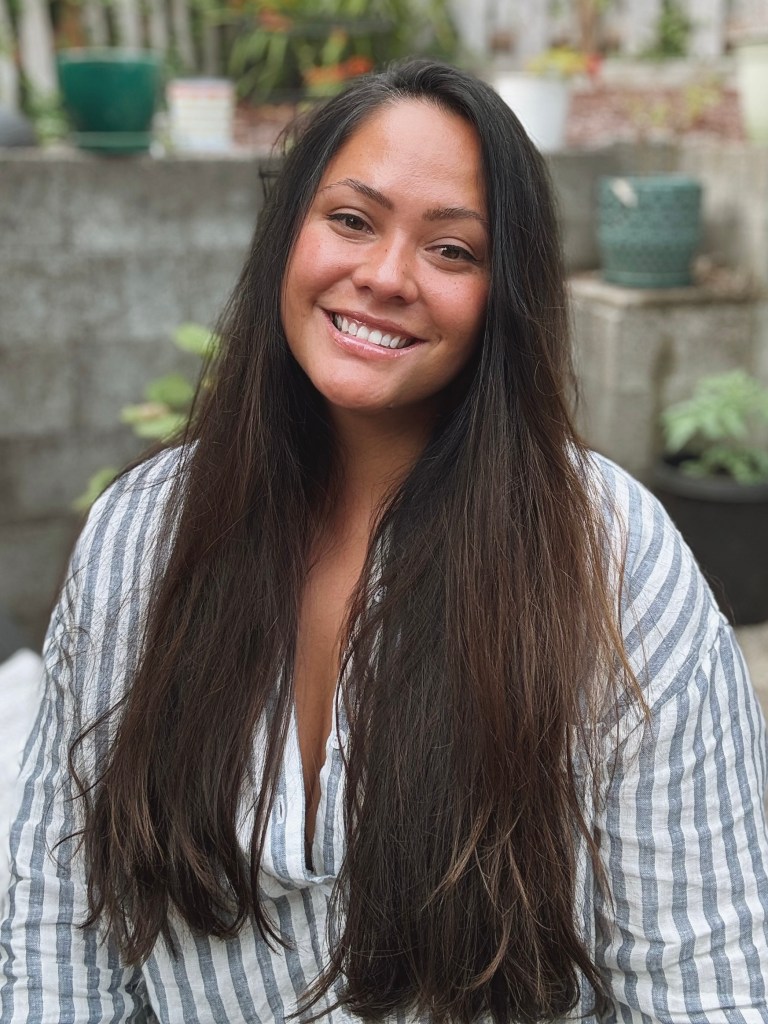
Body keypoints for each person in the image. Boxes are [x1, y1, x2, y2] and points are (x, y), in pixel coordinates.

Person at [1, 58, 767, 1024]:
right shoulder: (145, 533)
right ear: (287, 233)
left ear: (507, 294)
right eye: (353, 220)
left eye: (452, 250)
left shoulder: (611, 565)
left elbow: (705, 983)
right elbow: (57, 920)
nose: (385, 276)